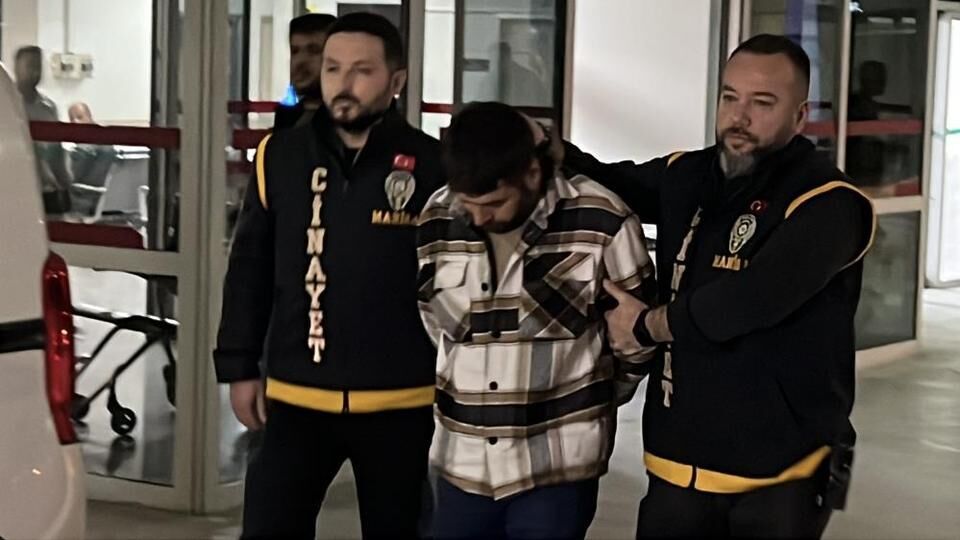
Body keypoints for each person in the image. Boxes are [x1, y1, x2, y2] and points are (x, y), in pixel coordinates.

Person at [546, 34, 876, 538]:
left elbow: (752, 300)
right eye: (729, 97)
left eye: (762, 103)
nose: (739, 117)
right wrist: (553, 151)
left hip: (780, 472)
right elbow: (612, 183)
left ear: (800, 116)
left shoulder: (830, 203)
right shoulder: (691, 174)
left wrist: (645, 325)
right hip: (677, 458)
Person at [214, 13, 443, 539]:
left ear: (396, 80)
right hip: (295, 397)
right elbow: (249, 267)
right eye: (333, 68)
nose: (344, 82)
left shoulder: (433, 165)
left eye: (362, 70)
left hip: (400, 400)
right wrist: (239, 366)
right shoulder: (280, 155)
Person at [417, 102, 657, 539]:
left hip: (556, 470)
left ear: (531, 173)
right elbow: (435, 323)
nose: (479, 217)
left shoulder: (602, 219)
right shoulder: (438, 214)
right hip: (460, 464)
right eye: (468, 204)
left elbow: (636, 341)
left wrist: (593, 401)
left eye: (494, 203)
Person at [14, 45, 72, 214]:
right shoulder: (8, 106)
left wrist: (64, 179)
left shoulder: (48, 107)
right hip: (17, 188)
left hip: (47, 189)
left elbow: (56, 149)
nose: (35, 72)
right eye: (29, 66)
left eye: (38, 66)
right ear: (17, 68)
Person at [274, 13, 337, 130]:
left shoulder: (348, 119)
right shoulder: (286, 116)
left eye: (314, 50)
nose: (300, 61)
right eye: (294, 51)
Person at [66, 102, 118, 217]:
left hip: (84, 200)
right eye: (72, 119)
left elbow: (72, 178)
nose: (75, 122)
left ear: (89, 117)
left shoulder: (85, 149)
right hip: (109, 200)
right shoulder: (107, 140)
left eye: (79, 117)